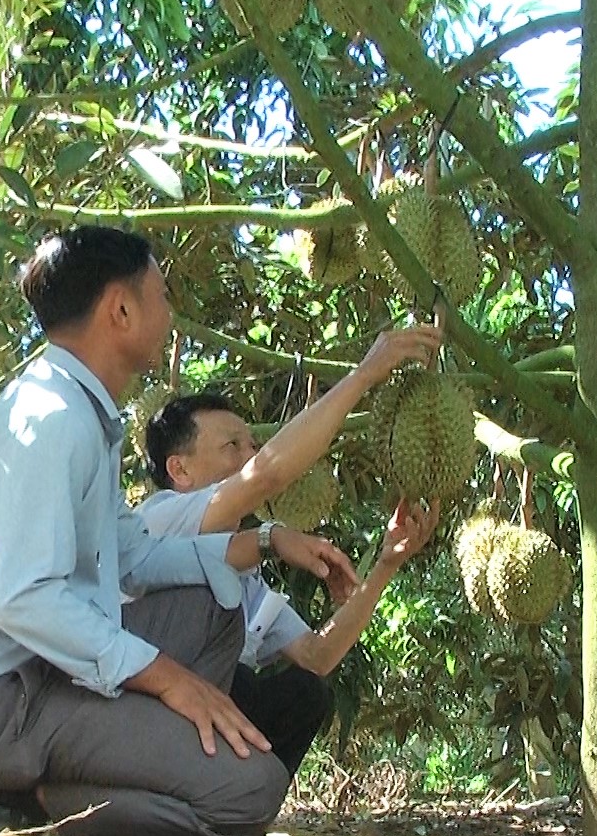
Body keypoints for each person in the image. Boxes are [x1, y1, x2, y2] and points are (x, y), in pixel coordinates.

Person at [0, 226, 358, 836]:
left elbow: (135, 557)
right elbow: (24, 598)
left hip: (44, 680)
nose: (170, 313)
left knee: (215, 600)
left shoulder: (82, 416)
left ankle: (117, 815)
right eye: (161, 295)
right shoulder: (46, 420)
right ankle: (14, 804)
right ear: (120, 310)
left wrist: (261, 542)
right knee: (250, 790)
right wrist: (170, 680)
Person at [134, 328, 442, 777]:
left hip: (200, 724)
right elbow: (267, 476)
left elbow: (318, 654)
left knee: (304, 692)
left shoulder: (248, 582)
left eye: (251, 444)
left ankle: (229, 821)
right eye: (231, 446)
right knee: (230, 663)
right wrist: (365, 375)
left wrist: (387, 563)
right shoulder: (161, 517)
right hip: (137, 711)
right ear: (179, 469)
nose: (249, 455)